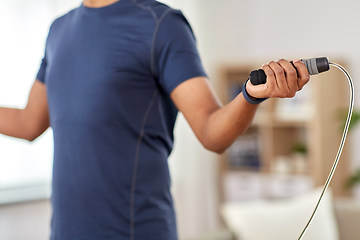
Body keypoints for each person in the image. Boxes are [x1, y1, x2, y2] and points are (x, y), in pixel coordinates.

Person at [0, 0, 310, 239]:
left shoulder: (160, 25)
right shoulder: (58, 29)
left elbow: (211, 131)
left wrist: (251, 95)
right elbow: (29, 123)